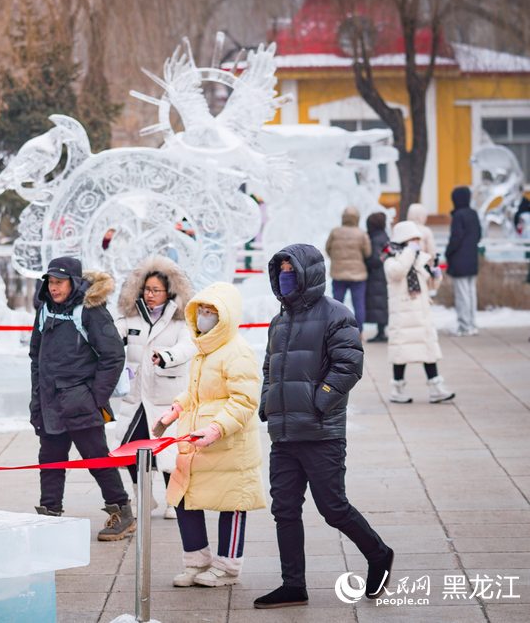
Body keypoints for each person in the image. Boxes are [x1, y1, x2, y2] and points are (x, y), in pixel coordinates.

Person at [254, 244, 394, 609]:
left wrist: (320, 401)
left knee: (332, 507)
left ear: (308, 272)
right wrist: (268, 403)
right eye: (281, 269)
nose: (286, 275)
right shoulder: (279, 320)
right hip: (284, 434)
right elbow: (271, 368)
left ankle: (379, 554)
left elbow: (349, 366)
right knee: (283, 509)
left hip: (320, 433)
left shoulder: (336, 314)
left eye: (291, 269)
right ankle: (293, 584)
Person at [155, 282, 264, 588]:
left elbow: (244, 400)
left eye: (211, 312)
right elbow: (195, 392)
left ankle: (228, 567)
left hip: (228, 444)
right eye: (201, 311)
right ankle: (196, 560)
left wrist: (217, 427)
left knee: (232, 502)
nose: (203, 317)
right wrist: (175, 409)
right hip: (195, 442)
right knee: (183, 497)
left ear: (226, 316)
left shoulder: (238, 351)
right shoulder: (203, 350)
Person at [29, 256, 135, 541]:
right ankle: (50, 513)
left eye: (59, 282)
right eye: (51, 282)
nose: (54, 288)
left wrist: (94, 398)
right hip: (50, 402)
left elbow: (113, 356)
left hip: (80, 402)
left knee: (96, 459)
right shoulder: (44, 310)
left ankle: (122, 512)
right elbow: (35, 358)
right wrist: (36, 400)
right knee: (50, 460)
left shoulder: (90, 310)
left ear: (73, 283)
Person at [114, 256, 196, 520]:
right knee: (126, 449)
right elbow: (113, 334)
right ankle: (143, 498)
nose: (149, 295)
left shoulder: (181, 322)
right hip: (136, 398)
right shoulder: (132, 317)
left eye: (155, 290)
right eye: (146, 289)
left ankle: (173, 500)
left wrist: (167, 356)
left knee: (168, 454)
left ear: (168, 292)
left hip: (165, 398)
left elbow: (187, 348)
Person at [384, 221, 456, 404]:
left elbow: (429, 284)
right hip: (402, 314)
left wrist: (436, 275)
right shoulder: (391, 258)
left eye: (417, 240)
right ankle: (397, 389)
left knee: (428, 350)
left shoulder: (418, 258)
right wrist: (410, 252)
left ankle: (436, 388)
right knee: (401, 352)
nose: (417, 243)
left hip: (421, 314)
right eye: (413, 239)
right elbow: (398, 272)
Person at [325, 206, 371, 332]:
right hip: (358, 275)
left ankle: (335, 330)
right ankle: (359, 331)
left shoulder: (335, 232)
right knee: (359, 304)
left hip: (338, 274)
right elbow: (367, 253)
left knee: (337, 304)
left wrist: (337, 259)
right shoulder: (361, 233)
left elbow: (328, 249)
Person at [445, 186, 482, 336]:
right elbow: (479, 235)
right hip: (472, 258)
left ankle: (464, 325)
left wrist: (448, 252)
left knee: (462, 294)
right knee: (471, 293)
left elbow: (456, 238)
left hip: (459, 260)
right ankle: (472, 323)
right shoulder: (473, 214)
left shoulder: (458, 216)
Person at [365, 212, 390, 342]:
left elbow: (376, 259)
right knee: (382, 303)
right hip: (382, 275)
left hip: (376, 276)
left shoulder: (375, 239)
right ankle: (381, 331)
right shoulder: (384, 236)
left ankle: (381, 333)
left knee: (379, 303)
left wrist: (365, 262)